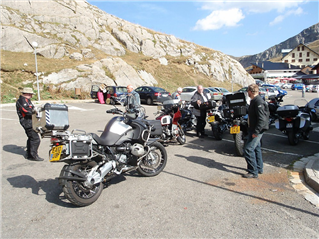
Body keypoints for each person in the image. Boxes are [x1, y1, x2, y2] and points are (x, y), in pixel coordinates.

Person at [243, 84, 269, 178]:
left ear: (250, 91)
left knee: (248, 149)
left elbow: (262, 119)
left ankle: (253, 172)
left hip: (257, 130)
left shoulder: (258, 102)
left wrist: (256, 132)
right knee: (256, 148)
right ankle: (259, 168)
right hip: (253, 129)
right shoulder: (254, 101)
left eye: (248, 92)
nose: (247, 93)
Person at [16, 87, 43, 161]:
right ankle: (33, 155)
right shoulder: (22, 101)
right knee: (35, 139)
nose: (31, 96)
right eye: (30, 94)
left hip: (30, 121)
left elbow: (32, 108)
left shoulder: (27, 100)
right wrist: (35, 113)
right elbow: (26, 111)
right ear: (27, 94)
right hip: (27, 122)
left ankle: (29, 153)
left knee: (31, 138)